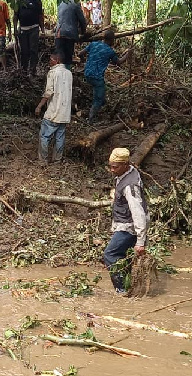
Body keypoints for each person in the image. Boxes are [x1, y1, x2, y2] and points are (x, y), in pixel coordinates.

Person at [103, 148, 149, 294]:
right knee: (122, 255)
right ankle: (130, 286)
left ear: (125, 165)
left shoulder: (130, 185)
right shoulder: (128, 173)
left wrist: (141, 241)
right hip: (125, 222)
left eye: (115, 167)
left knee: (110, 254)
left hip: (130, 227)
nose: (111, 170)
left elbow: (138, 212)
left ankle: (121, 290)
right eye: (110, 166)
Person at [78, 29, 131, 122]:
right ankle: (90, 119)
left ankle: (101, 106)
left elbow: (79, 53)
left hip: (87, 74)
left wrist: (83, 61)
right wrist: (127, 55)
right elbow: (118, 62)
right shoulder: (110, 51)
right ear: (112, 40)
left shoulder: (94, 44)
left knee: (99, 91)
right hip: (97, 78)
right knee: (98, 98)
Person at [34, 52, 72, 164]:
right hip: (65, 113)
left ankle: (43, 161)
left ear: (57, 61)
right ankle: (57, 160)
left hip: (53, 111)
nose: (49, 62)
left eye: (51, 59)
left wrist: (39, 106)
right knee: (60, 137)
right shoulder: (69, 73)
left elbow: (49, 92)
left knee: (44, 136)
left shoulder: (53, 73)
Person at [13, 0, 44, 77]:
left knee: (33, 50)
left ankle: (32, 70)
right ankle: (24, 70)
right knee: (24, 51)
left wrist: (42, 29)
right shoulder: (18, 2)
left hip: (34, 28)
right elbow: (15, 16)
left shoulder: (37, 1)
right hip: (23, 29)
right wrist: (15, 29)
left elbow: (40, 16)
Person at [54, 0, 86, 69]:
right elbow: (82, 20)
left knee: (59, 56)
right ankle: (66, 74)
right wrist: (83, 32)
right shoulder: (76, 4)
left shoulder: (61, 3)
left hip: (59, 33)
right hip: (70, 34)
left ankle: (58, 74)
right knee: (68, 58)